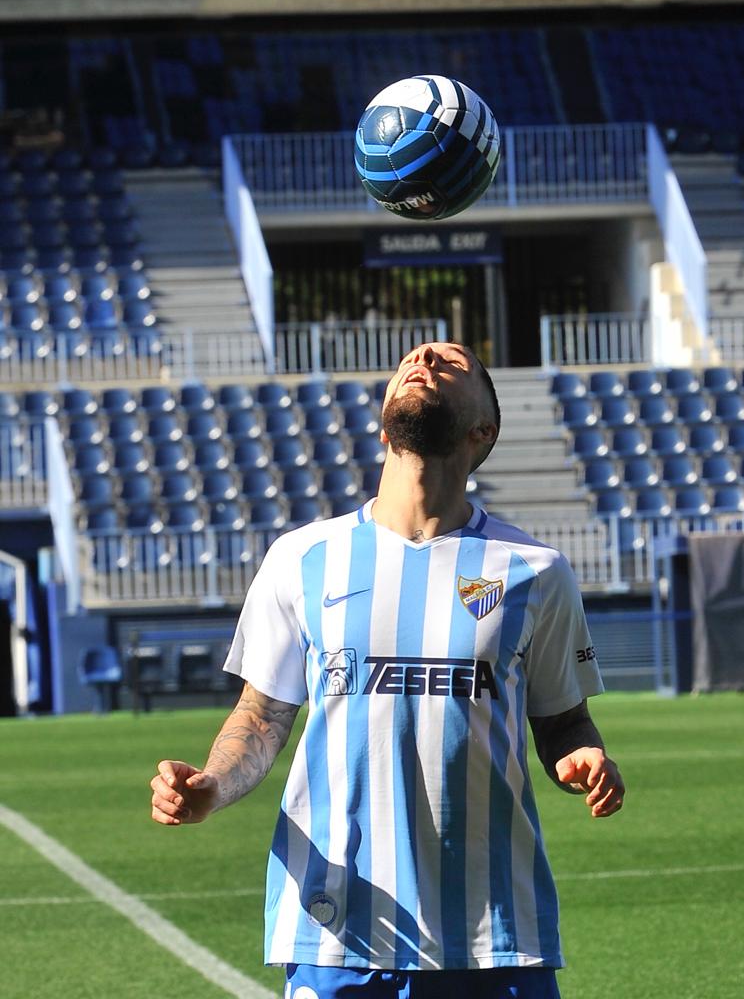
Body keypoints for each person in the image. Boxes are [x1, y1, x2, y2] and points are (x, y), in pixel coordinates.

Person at [151, 341, 625, 999]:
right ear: (382, 422)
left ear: (481, 430)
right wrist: (211, 787)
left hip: (493, 936)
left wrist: (581, 757)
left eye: (453, 364)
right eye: (410, 360)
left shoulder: (536, 571)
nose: (425, 355)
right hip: (336, 928)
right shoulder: (301, 558)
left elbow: (564, 720)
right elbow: (261, 718)